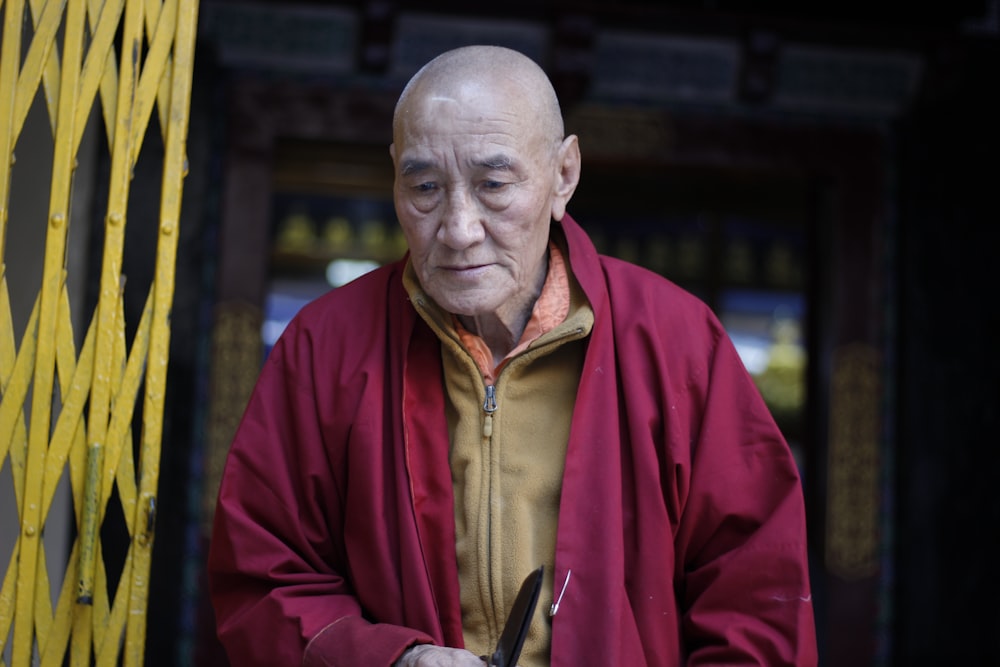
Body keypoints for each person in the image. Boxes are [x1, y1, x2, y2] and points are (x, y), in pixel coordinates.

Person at [207, 45, 817, 666]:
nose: (458, 228)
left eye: (493, 184)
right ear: (393, 175)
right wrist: (392, 661)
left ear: (564, 175)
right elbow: (264, 578)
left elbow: (756, 605)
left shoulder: (675, 341)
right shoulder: (326, 346)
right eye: (424, 187)